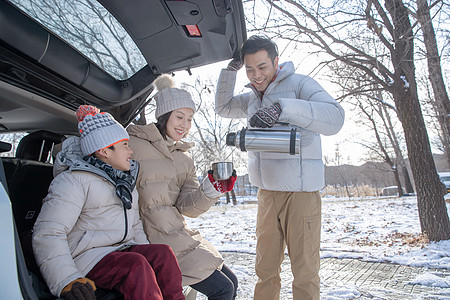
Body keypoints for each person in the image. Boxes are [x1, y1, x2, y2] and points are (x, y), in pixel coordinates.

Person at [215, 35, 345, 300]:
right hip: (267, 194)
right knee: (265, 270)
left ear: (276, 61)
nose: (256, 76)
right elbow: (223, 107)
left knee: (305, 271)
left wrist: (282, 108)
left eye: (262, 67)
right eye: (249, 69)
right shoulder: (252, 96)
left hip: (301, 195)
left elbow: (335, 117)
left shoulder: (300, 84)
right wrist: (230, 72)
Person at [32, 105, 185, 300]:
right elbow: (48, 232)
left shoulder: (125, 182)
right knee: (135, 265)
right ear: (105, 150)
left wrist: (150, 260)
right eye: (124, 145)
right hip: (86, 257)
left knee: (162, 254)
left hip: (120, 249)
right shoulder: (73, 181)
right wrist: (67, 279)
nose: (130, 151)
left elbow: (135, 226)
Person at [127, 74, 238, 300]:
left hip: (178, 235)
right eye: (180, 117)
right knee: (223, 289)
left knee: (232, 282)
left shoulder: (184, 158)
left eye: (189, 119)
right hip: (152, 238)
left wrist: (212, 188)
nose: (185, 126)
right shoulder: (134, 144)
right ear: (164, 115)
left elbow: (188, 207)